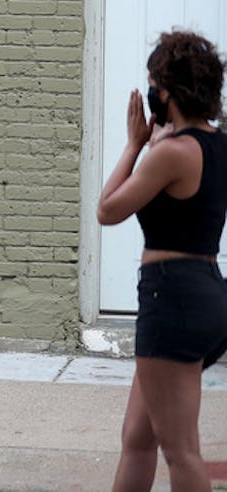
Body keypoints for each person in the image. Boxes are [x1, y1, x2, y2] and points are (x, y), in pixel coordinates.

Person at [97, 30, 227, 492]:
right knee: (138, 437)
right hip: (205, 293)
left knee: (181, 451)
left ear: (166, 92)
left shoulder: (169, 153)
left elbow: (107, 209)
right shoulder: (215, 144)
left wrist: (135, 144)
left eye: (154, 82)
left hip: (171, 300)